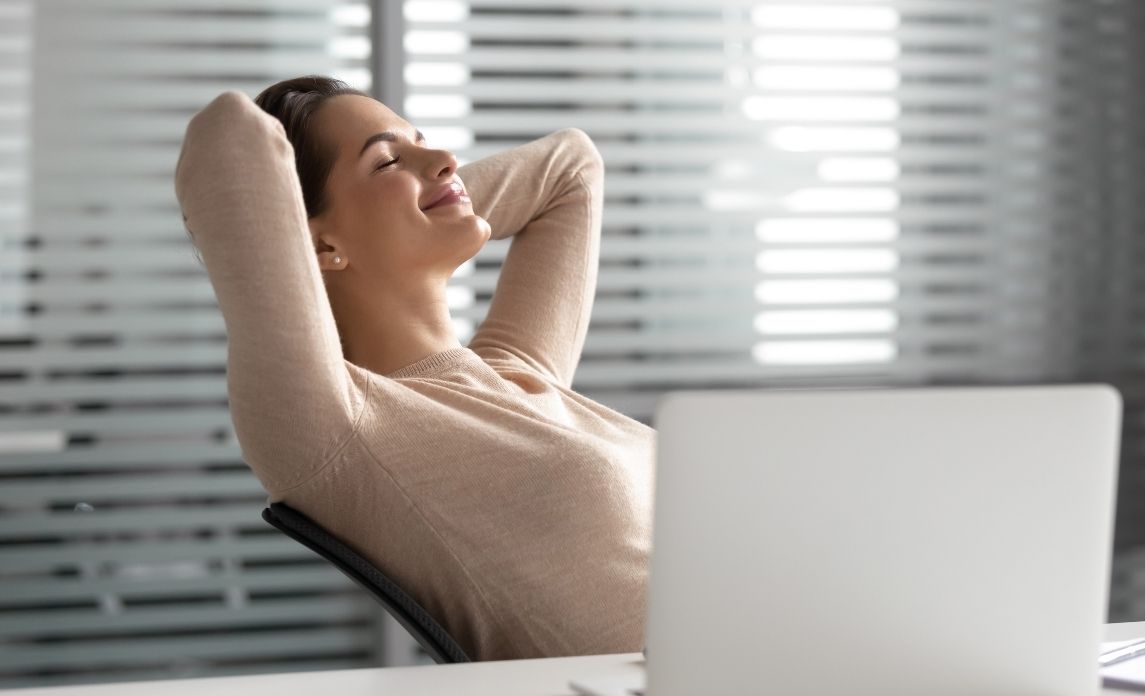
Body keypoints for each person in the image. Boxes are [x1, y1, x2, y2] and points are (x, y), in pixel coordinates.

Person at [174, 76, 655, 661]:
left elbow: (571, 167)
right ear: (318, 248)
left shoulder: (518, 370)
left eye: (426, 143)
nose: (447, 158)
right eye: (386, 160)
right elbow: (230, 134)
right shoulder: (338, 427)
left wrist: (421, 196)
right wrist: (401, 211)